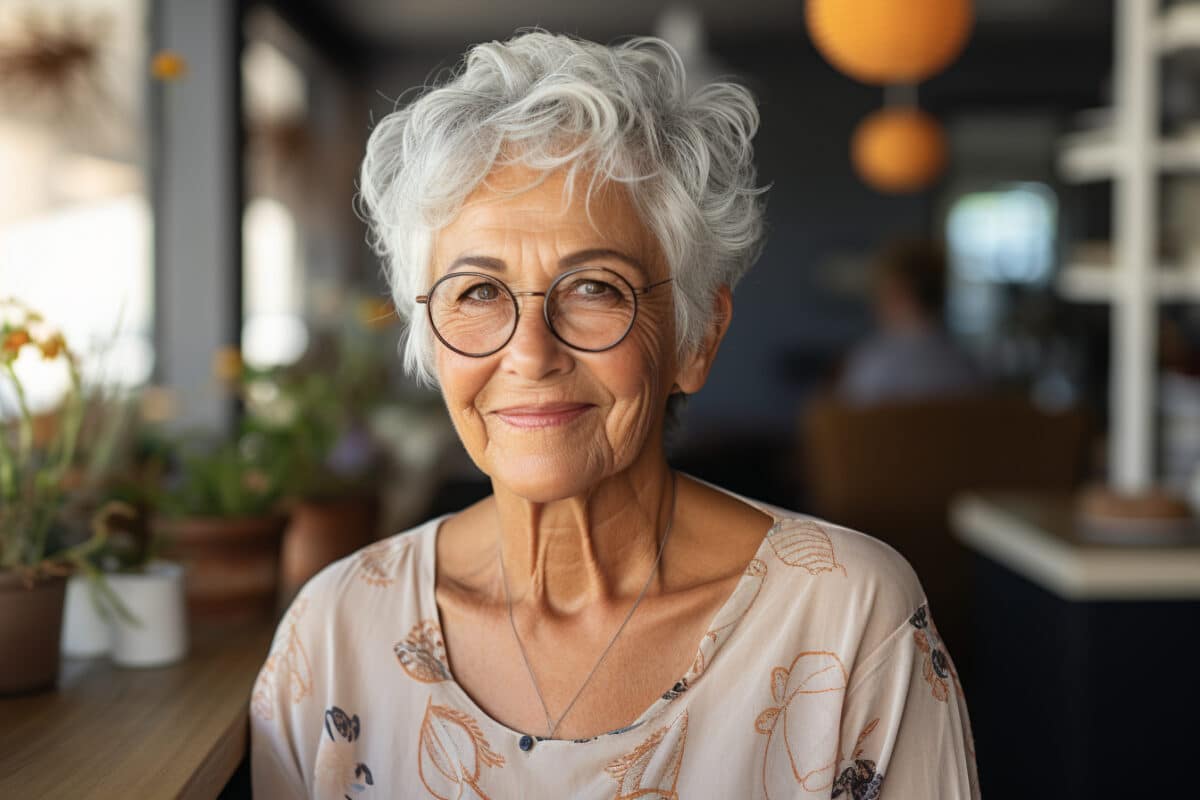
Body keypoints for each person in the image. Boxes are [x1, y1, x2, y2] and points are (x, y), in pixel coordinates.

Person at [250, 32, 979, 799]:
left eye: (596, 288)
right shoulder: (337, 631)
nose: (530, 354)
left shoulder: (845, 617)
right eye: (477, 292)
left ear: (697, 338)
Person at [838, 239, 983, 406]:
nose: (874, 303)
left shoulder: (873, 363)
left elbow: (847, 424)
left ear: (898, 293)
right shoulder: (967, 366)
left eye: (879, 291)